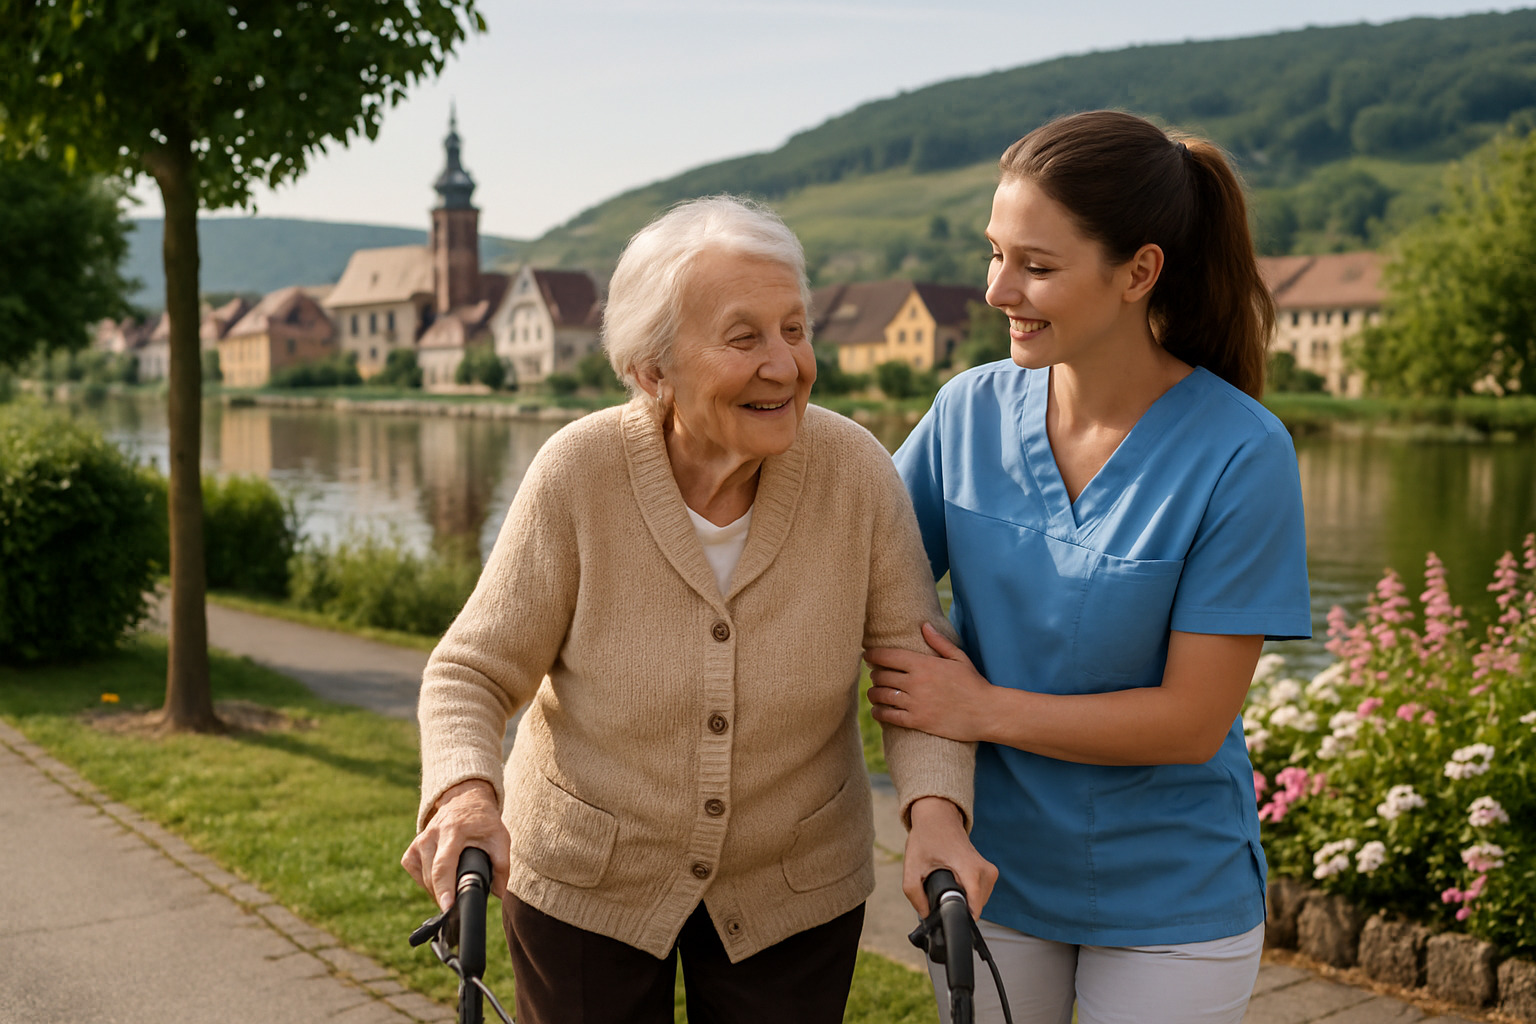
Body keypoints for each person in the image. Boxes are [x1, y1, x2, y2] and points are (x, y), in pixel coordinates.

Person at [402, 195, 995, 1024]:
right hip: (586, 879)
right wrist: (465, 795)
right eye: (743, 338)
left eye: (795, 330)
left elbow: (917, 672)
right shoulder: (579, 473)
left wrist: (935, 815)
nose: (784, 365)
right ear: (653, 370)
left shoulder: (856, 473)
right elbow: (471, 671)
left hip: (793, 883)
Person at [865, 110, 1312, 1024]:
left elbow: (1191, 720)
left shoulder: (1242, 452)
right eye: (995, 253)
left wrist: (980, 708)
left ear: (1139, 273)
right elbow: (864, 586)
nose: (997, 289)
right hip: (990, 872)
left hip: (1171, 894)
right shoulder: (967, 413)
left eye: (1036, 265)